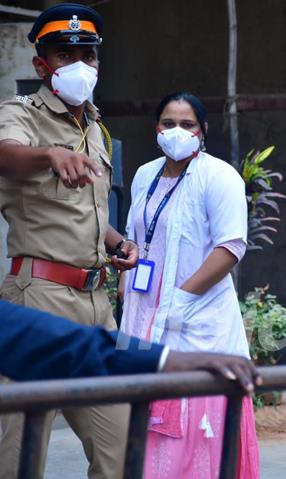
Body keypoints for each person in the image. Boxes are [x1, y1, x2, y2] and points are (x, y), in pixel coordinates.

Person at [0, 4, 140, 478]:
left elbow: (82, 211)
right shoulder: (22, 114)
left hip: (96, 303)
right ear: (42, 65)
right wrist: (49, 154)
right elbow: (7, 157)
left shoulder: (94, 125)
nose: (79, 64)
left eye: (88, 54)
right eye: (64, 55)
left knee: (121, 451)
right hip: (37, 300)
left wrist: (117, 242)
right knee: (22, 456)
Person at [118, 92, 258, 479]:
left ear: (203, 131)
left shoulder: (219, 176)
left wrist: (180, 298)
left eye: (187, 124)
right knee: (138, 430)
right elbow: (136, 236)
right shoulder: (145, 174)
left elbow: (231, 247)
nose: (176, 132)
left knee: (194, 435)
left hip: (197, 321)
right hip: (142, 315)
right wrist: (126, 285)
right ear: (156, 129)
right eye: (168, 123)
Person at [0, 299, 260, 390]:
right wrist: (167, 358)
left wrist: (121, 244)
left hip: (97, 295)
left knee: (118, 442)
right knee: (25, 439)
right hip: (42, 289)